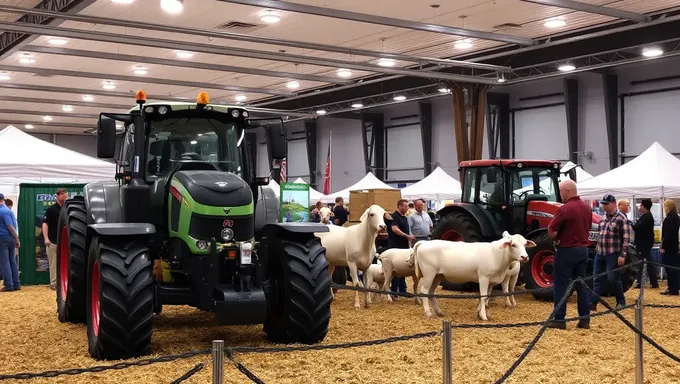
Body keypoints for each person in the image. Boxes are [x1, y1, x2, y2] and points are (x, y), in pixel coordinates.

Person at [546, 180, 592, 329]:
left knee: (560, 284)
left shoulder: (564, 209)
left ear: (566, 191)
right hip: (583, 250)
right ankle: (584, 319)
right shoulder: (587, 208)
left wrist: (555, 237)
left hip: (566, 250)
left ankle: (559, 319)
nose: (560, 194)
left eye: (560, 191)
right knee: (581, 285)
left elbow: (552, 231)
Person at [591, 194, 630, 310]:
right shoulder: (602, 218)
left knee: (613, 278)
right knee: (597, 278)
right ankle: (593, 303)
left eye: (606, 204)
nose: (604, 206)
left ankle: (621, 301)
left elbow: (626, 238)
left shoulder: (621, 218)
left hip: (613, 254)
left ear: (613, 203)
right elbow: (599, 234)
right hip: (600, 253)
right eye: (603, 204)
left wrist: (623, 254)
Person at [386, 199, 415, 296]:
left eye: (407, 206)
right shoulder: (395, 217)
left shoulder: (405, 218)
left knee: (403, 268)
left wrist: (410, 236)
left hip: (404, 247)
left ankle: (402, 290)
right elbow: (394, 229)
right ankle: (393, 291)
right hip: (396, 247)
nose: (407, 208)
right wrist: (406, 236)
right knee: (395, 269)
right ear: (399, 206)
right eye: (405, 206)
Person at [42, 188, 68, 291]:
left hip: (65, 242)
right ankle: (54, 284)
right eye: (63, 194)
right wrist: (46, 238)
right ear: (57, 196)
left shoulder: (68, 209)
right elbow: (45, 224)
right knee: (54, 264)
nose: (65, 196)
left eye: (66, 194)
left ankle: (64, 284)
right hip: (53, 241)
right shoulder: (51, 209)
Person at [633, 198, 658, 289]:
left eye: (641, 206)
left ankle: (641, 281)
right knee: (648, 262)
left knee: (642, 263)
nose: (639, 207)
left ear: (644, 207)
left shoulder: (647, 217)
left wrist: (631, 224)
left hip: (643, 244)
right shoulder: (646, 216)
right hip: (645, 243)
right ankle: (653, 281)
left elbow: (638, 227)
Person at [0, 194, 20, 292]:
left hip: (3, 238)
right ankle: (16, 284)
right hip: (11, 238)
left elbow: (10, 226)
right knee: (12, 261)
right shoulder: (9, 210)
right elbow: (13, 227)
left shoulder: (1, 211)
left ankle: (9, 285)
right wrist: (16, 239)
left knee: (5, 262)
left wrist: (16, 239)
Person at [660, 199, 679, 296]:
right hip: (673, 246)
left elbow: (668, 234)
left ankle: (673, 289)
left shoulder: (670, 218)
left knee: (670, 268)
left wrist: (663, 246)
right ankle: (672, 287)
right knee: (673, 268)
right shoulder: (675, 217)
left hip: (670, 247)